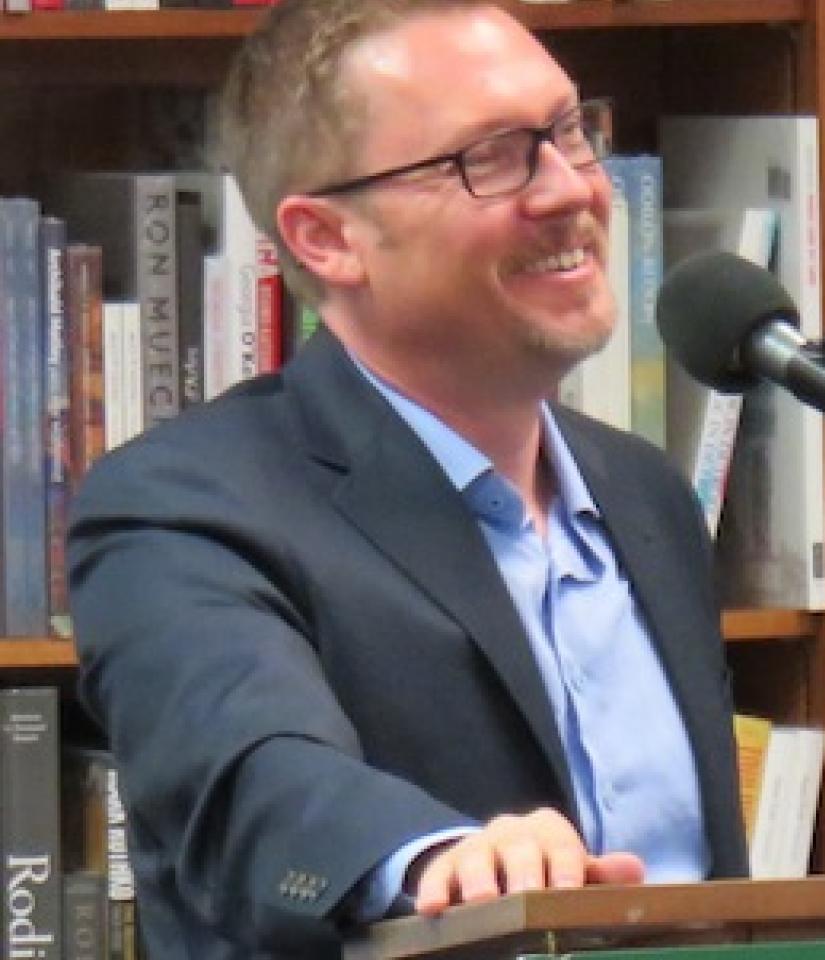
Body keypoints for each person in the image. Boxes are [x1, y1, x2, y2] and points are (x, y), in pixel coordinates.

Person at [66, 1, 747, 957]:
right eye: (489, 158)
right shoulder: (183, 507)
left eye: (566, 132)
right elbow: (250, 774)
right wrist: (434, 861)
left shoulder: (645, 497)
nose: (569, 191)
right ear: (325, 239)